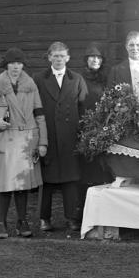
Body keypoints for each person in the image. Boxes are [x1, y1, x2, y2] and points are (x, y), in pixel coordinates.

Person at [0, 47, 47, 239]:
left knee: (22, 184)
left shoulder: (30, 84)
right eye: (12, 63)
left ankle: (22, 221)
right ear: (6, 65)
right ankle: (1, 223)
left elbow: (39, 115)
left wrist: (43, 142)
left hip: (27, 140)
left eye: (19, 63)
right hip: (5, 140)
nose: (16, 67)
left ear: (23, 65)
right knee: (5, 184)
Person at [34, 42, 88, 233]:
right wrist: (38, 137)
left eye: (62, 56)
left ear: (68, 58)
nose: (59, 59)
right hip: (47, 136)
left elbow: (83, 109)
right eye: (55, 56)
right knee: (46, 179)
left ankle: (72, 218)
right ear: (49, 57)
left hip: (70, 137)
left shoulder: (77, 79)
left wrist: (82, 136)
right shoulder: (39, 79)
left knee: (70, 178)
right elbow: (34, 108)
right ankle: (44, 218)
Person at [78, 42, 113, 224]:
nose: (95, 60)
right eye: (92, 57)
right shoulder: (79, 78)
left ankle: (102, 212)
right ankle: (83, 212)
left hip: (103, 129)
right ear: (86, 59)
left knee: (102, 171)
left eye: (99, 57)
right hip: (84, 129)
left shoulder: (105, 78)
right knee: (85, 171)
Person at [108, 31, 139, 101]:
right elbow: (109, 97)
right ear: (126, 47)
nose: (135, 48)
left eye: (138, 45)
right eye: (131, 45)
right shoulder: (115, 71)